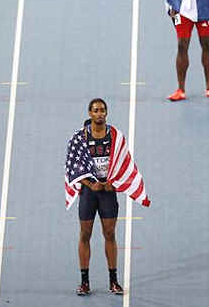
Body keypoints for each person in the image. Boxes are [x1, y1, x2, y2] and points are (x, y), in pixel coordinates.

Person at [64, 98, 151, 296]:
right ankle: (84, 282)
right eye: (95, 110)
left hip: (108, 192)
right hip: (89, 192)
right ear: (89, 113)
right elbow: (72, 167)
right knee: (85, 234)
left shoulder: (115, 136)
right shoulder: (79, 138)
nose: (99, 113)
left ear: (106, 113)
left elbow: (124, 163)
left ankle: (114, 281)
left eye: (102, 110)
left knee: (110, 234)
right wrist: (90, 184)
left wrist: (114, 182)